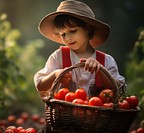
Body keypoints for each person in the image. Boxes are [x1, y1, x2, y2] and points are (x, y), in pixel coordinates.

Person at [34, 0, 125, 132]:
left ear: (88, 28)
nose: (68, 38)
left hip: (97, 125)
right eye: (63, 34)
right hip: (62, 123)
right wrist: (55, 74)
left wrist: (100, 71)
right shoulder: (59, 56)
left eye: (73, 31)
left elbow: (117, 90)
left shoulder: (106, 61)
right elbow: (40, 85)